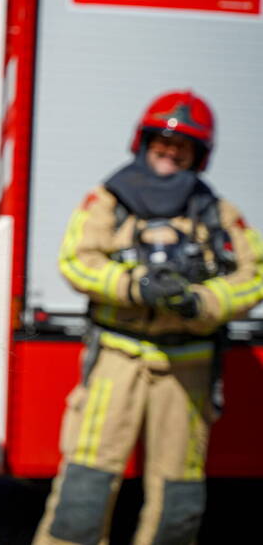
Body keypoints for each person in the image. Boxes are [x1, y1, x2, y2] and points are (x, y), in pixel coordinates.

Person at [35, 91, 263, 544]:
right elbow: (76, 261)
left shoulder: (217, 212)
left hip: (188, 366)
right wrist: (134, 285)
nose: (170, 152)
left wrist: (202, 301)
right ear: (144, 143)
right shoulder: (108, 200)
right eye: (162, 141)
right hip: (117, 360)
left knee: (179, 494)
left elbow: (253, 275)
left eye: (182, 146)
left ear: (199, 155)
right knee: (87, 482)